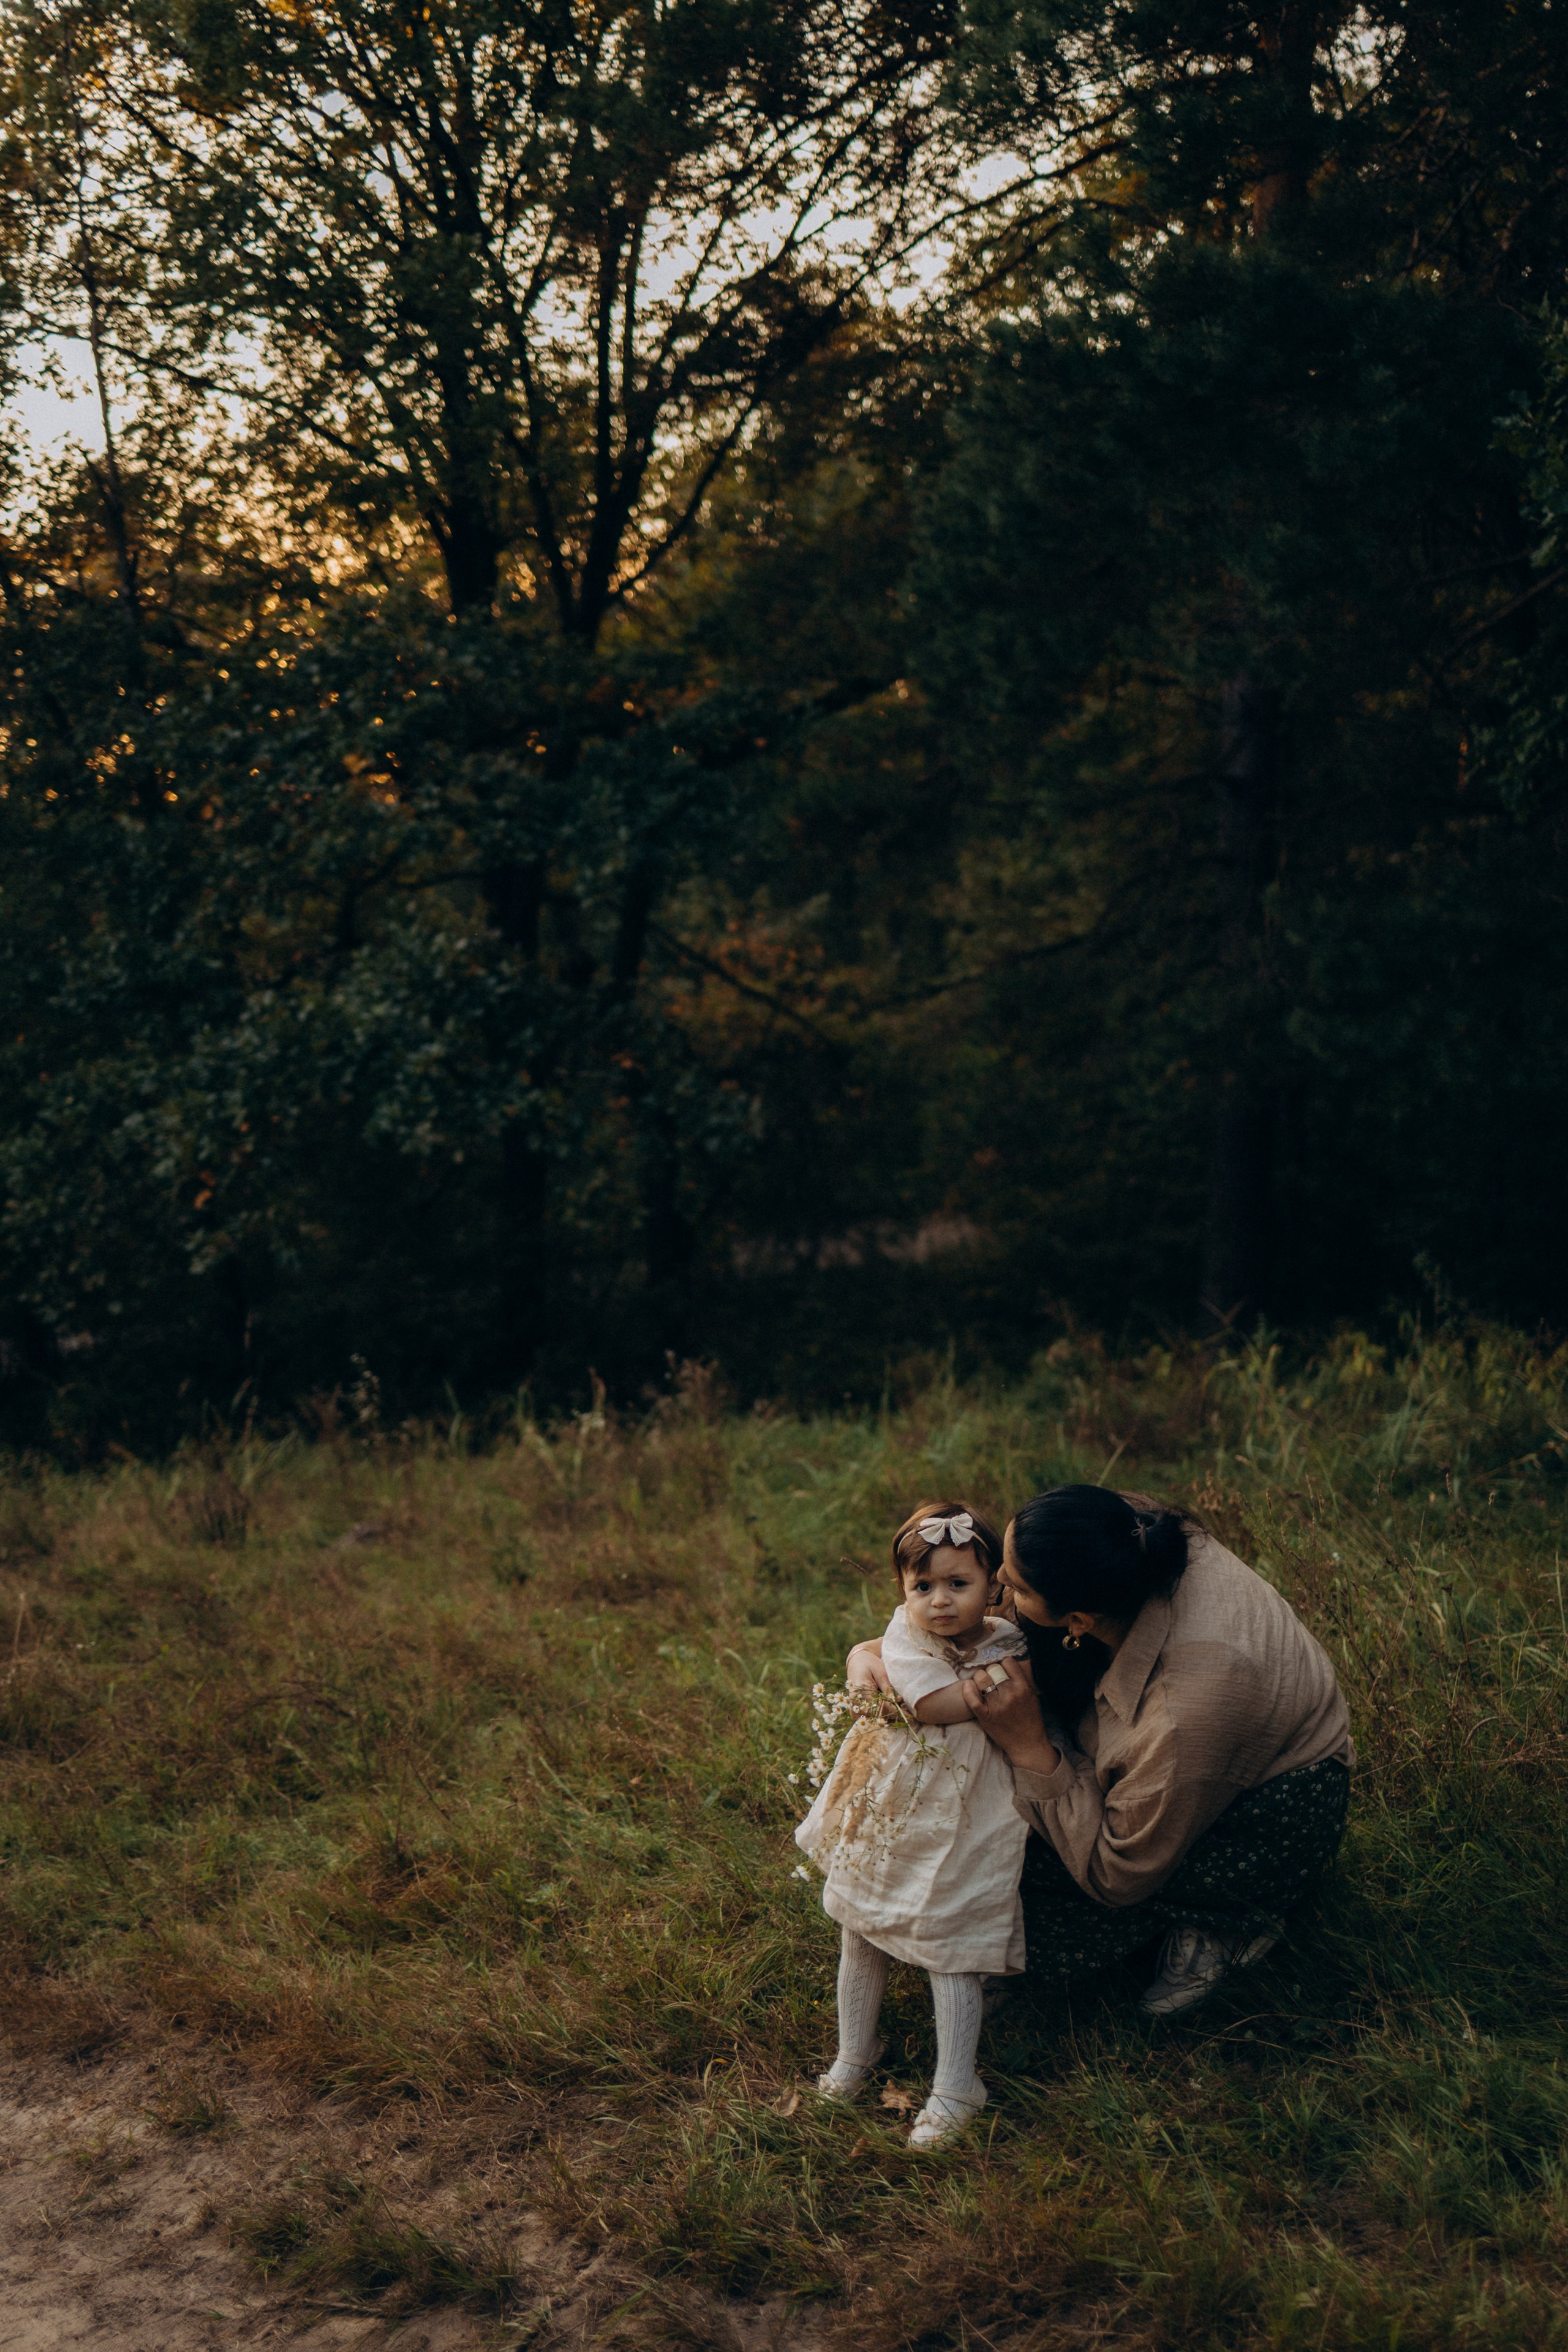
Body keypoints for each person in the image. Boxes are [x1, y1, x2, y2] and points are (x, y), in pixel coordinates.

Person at [846, 1485, 1354, 2016]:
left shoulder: (1186, 1709)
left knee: (990, 1886)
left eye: (1014, 1585)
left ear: (1079, 1623)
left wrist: (1029, 1743)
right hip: (1179, 1749)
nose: (996, 1586)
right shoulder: (1116, 1535)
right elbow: (978, 1630)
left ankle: (1228, 1917)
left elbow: (1117, 1874)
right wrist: (870, 1653)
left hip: (1263, 1810)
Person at [795, 1500, 1029, 2146]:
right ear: (902, 1590)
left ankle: (957, 2085)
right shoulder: (906, 1636)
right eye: (922, 1586)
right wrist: (994, 1683)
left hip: (969, 1811)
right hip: (893, 1808)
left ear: (994, 1586)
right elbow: (932, 1704)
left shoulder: (1009, 1639)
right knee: (861, 1922)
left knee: (951, 1939)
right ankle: (855, 2051)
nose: (940, 1600)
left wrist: (1004, 1673)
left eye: (959, 1583)